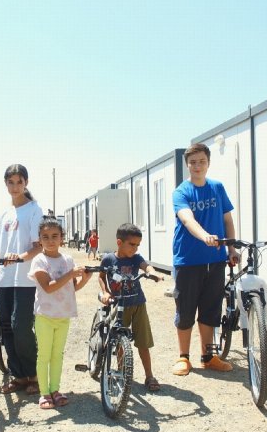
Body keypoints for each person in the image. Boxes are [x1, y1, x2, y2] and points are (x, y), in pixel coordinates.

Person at [171, 143, 240, 376]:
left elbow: (227, 220)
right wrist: (205, 237)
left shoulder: (217, 187)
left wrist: (231, 248)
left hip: (216, 259)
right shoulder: (181, 192)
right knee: (186, 310)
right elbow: (188, 220)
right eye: (193, 162)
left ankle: (208, 356)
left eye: (201, 161)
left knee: (210, 309)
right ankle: (183, 357)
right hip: (188, 260)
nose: (197, 166)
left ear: (208, 163)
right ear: (187, 165)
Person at [0, 164, 44, 395]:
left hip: (26, 279)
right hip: (4, 280)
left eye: (19, 182)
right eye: (10, 182)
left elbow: (38, 246)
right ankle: (18, 375)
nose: (15, 186)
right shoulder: (4, 214)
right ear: (5, 184)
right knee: (6, 327)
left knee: (21, 327)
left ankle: (34, 374)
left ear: (26, 183)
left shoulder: (33, 210)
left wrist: (19, 258)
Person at [28, 217, 91, 408]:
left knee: (58, 355)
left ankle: (55, 389)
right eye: (45, 237)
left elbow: (71, 288)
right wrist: (71, 274)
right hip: (45, 316)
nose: (50, 240)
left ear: (62, 238)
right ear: (39, 240)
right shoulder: (39, 260)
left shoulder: (68, 260)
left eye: (55, 236)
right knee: (44, 355)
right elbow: (48, 287)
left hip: (63, 316)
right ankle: (44, 393)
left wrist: (86, 279)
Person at [98, 223, 164, 391]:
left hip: (138, 304)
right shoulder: (108, 259)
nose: (135, 248)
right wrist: (105, 292)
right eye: (132, 244)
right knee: (120, 340)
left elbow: (146, 266)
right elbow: (101, 275)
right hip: (119, 304)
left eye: (137, 245)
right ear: (119, 242)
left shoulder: (136, 258)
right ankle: (121, 372)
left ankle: (149, 375)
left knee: (144, 342)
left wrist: (153, 272)